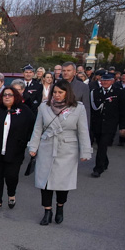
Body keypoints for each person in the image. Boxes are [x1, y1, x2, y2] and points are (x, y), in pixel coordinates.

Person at [27, 79, 92, 226]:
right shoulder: (44, 107)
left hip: (67, 149)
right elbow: (38, 128)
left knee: (63, 183)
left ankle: (60, 207)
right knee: (44, 181)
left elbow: (83, 130)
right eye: (54, 92)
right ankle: (47, 211)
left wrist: (85, 151)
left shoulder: (78, 108)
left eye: (60, 92)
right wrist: (33, 147)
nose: (56, 95)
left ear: (67, 93)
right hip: (47, 146)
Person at [89, 71, 125, 177]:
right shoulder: (95, 92)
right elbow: (92, 110)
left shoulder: (119, 92)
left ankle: (98, 169)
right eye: (103, 80)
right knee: (101, 145)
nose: (105, 82)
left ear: (113, 81)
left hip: (110, 124)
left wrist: (123, 126)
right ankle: (104, 162)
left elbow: (123, 110)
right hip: (97, 124)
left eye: (108, 80)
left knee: (102, 145)